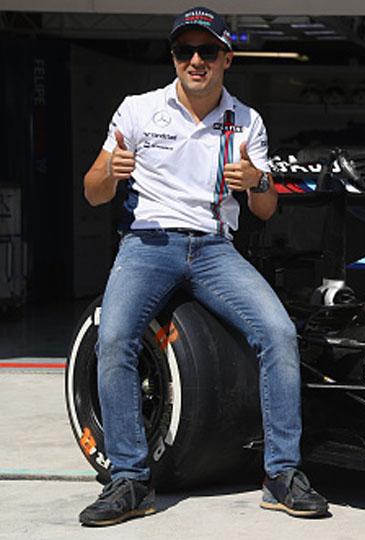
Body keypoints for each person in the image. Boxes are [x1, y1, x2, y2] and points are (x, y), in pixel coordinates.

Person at [78, 6, 327, 526]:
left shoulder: (247, 120)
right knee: (115, 337)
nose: (196, 60)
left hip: (215, 249)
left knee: (279, 334)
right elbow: (93, 193)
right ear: (173, 58)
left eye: (207, 51)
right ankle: (129, 478)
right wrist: (112, 172)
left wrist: (257, 181)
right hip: (148, 243)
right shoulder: (138, 110)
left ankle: (281, 474)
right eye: (184, 51)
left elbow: (265, 207)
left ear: (226, 59)